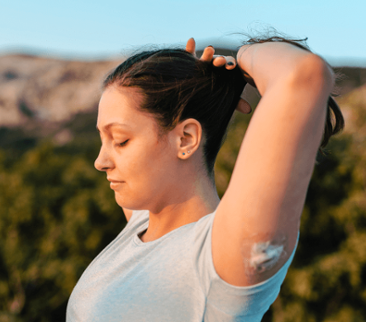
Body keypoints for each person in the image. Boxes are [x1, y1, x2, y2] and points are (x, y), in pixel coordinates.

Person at [66, 36, 344, 321]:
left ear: (185, 139)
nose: (100, 162)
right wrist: (196, 84)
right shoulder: (142, 222)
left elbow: (304, 74)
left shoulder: (218, 257)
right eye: (103, 140)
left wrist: (241, 60)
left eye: (121, 140)